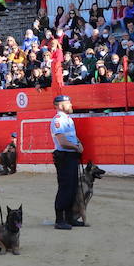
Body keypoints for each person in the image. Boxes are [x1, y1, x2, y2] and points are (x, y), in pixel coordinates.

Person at [50, 93, 84, 230]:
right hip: (64, 156)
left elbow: (72, 137)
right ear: (60, 105)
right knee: (65, 188)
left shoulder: (68, 119)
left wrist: (79, 144)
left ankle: (69, 218)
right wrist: (77, 147)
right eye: (68, 103)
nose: (71, 105)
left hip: (71, 156)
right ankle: (60, 219)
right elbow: (62, 142)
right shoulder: (58, 120)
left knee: (72, 187)